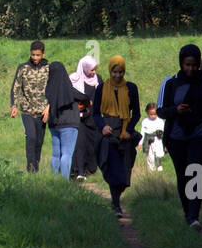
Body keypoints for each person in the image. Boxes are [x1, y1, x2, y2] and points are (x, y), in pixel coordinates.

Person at [158, 44, 202, 229]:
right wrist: (176, 110)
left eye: (194, 65)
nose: (191, 69)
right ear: (181, 63)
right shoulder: (170, 83)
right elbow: (161, 111)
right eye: (187, 65)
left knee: (196, 172)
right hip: (176, 137)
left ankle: (194, 216)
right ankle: (188, 212)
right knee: (183, 175)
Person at [91, 55, 142, 218]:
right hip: (108, 133)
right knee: (112, 168)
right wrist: (103, 126)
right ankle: (116, 204)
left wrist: (129, 129)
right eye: (114, 72)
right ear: (110, 71)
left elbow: (137, 113)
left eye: (120, 72)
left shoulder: (131, 88)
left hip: (125, 133)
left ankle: (116, 199)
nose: (117, 75)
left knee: (125, 169)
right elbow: (95, 113)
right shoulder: (101, 88)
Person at [44, 62, 90, 178]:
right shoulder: (68, 88)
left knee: (55, 154)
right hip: (69, 124)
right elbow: (83, 97)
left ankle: (55, 179)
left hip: (54, 124)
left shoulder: (48, 89)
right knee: (67, 154)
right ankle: (64, 181)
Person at [10, 41, 51, 172]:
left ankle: (36, 165)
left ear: (43, 54)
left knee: (39, 141)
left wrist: (49, 107)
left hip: (42, 111)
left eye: (38, 55)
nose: (35, 58)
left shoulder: (49, 69)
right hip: (27, 110)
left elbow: (54, 89)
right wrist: (14, 106)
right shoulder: (23, 68)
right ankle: (31, 168)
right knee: (31, 137)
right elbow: (15, 87)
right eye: (33, 55)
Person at [69, 55, 101, 180]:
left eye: (94, 69)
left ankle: (91, 169)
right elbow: (69, 94)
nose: (93, 72)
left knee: (92, 142)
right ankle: (79, 170)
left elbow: (101, 94)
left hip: (92, 117)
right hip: (78, 117)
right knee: (80, 143)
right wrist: (83, 101)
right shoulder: (73, 79)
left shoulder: (97, 79)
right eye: (91, 69)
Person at [138, 103, 165, 171]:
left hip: (157, 139)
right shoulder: (145, 121)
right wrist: (140, 143)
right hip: (148, 140)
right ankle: (151, 170)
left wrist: (160, 133)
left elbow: (162, 130)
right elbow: (142, 132)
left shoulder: (160, 121)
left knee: (158, 153)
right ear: (147, 112)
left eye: (155, 114)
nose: (153, 116)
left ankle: (159, 165)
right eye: (151, 114)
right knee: (150, 156)